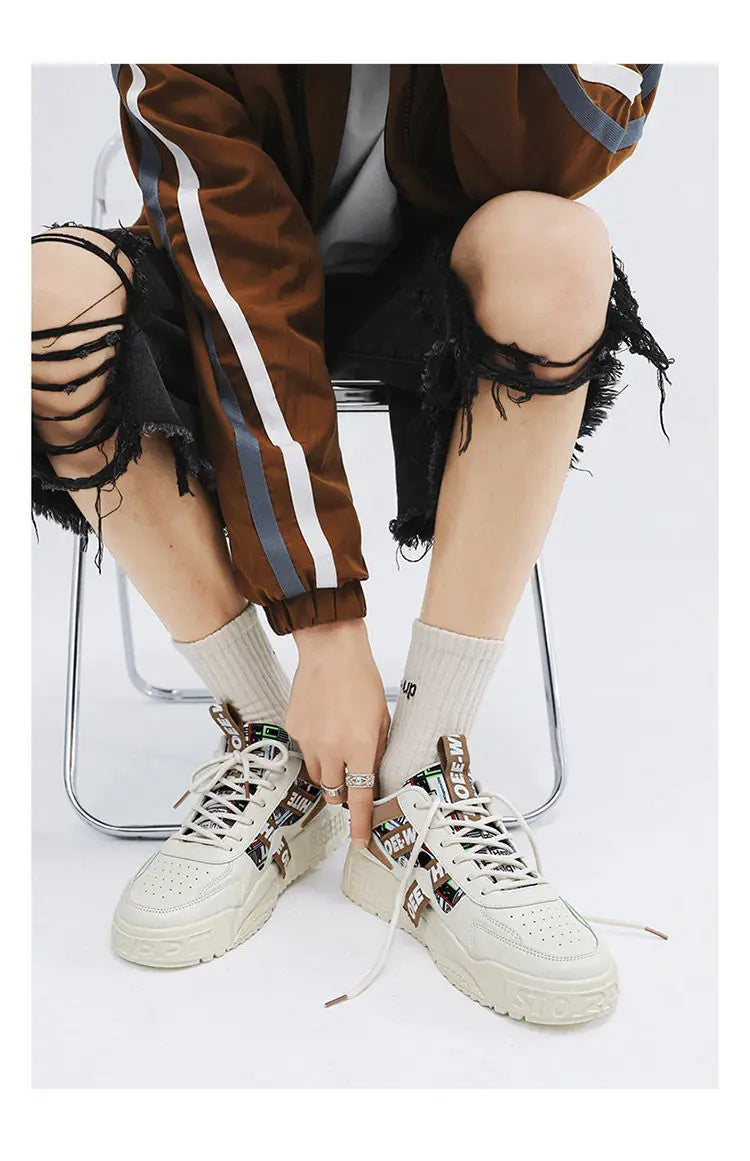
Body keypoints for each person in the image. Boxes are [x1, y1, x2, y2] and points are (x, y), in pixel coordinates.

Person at [31, 64, 671, 1024]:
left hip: (440, 273)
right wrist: (326, 627)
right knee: (43, 296)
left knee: (556, 244)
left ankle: (419, 775)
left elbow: (565, 154)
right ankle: (273, 741)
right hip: (223, 285)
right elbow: (238, 263)